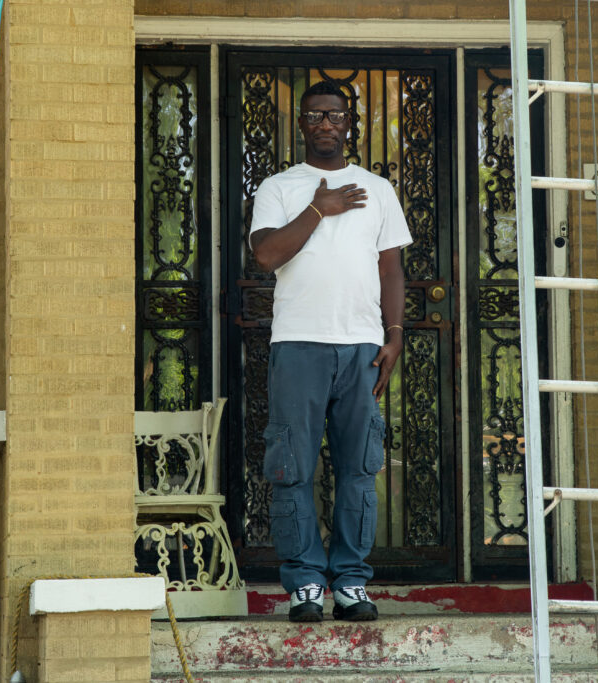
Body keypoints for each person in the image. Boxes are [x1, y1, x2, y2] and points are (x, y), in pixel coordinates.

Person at [249, 80, 412, 623]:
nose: (325, 124)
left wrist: (394, 334)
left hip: (361, 345)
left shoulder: (378, 189)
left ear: (349, 122)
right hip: (297, 343)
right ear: (301, 122)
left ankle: (350, 582)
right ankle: (305, 584)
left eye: (334, 115)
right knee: (292, 465)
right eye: (315, 115)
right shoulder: (279, 187)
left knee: (359, 466)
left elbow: (391, 268)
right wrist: (321, 209)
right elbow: (267, 255)